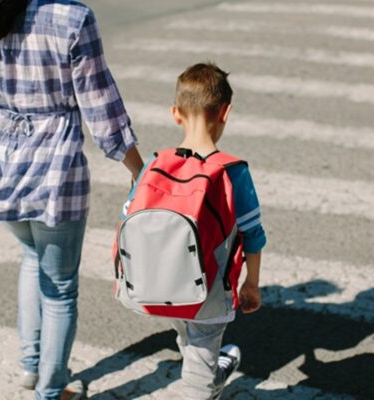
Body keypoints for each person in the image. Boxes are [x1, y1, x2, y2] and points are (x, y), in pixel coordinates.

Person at [0, 0, 144, 399]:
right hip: (55, 174)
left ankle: (30, 366)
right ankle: (51, 392)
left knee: (32, 258)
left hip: (0, 167)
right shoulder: (72, 17)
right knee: (60, 288)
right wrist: (139, 169)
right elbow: (100, 105)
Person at [122, 63, 267, 400]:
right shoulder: (232, 172)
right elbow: (253, 235)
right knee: (201, 355)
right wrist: (252, 284)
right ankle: (206, 381)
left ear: (175, 113)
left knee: (189, 336)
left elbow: (129, 216)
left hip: (155, 285)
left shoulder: (154, 164)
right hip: (209, 291)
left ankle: (210, 372)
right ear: (226, 112)